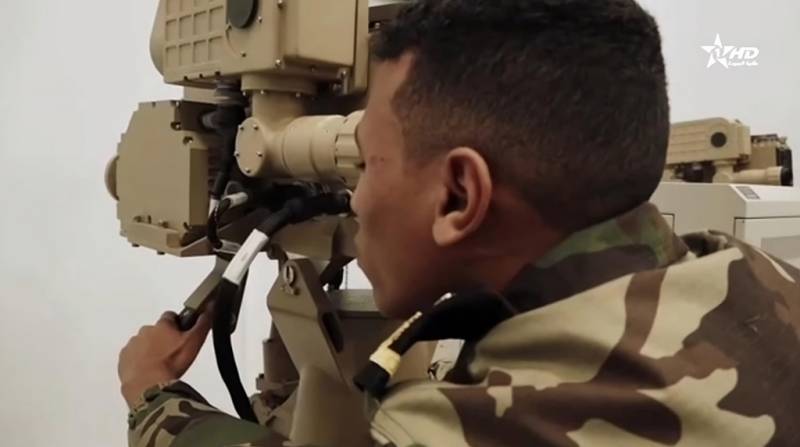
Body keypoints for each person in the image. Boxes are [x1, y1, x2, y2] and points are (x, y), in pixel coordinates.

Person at [119, 0, 800, 446]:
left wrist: (153, 396)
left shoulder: (449, 430)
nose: (354, 197)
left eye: (367, 162)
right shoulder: (769, 283)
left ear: (458, 195)